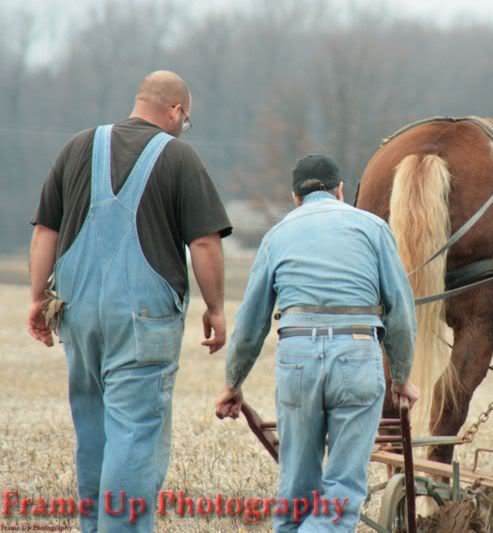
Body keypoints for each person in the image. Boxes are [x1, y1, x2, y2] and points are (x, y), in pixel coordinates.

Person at [27, 70, 232, 533]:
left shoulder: (77, 146)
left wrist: (38, 298)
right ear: (176, 111)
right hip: (143, 323)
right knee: (135, 434)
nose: (185, 127)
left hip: (78, 316)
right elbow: (204, 243)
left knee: (93, 429)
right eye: (187, 119)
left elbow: (45, 231)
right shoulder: (180, 158)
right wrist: (216, 308)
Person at [215, 154, 419, 531]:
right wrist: (402, 375)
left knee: (295, 491)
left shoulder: (277, 234)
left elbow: (250, 323)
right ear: (340, 190)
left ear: (295, 198)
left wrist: (233, 383)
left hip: (297, 357)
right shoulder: (372, 228)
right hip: (357, 353)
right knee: (341, 492)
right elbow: (401, 311)